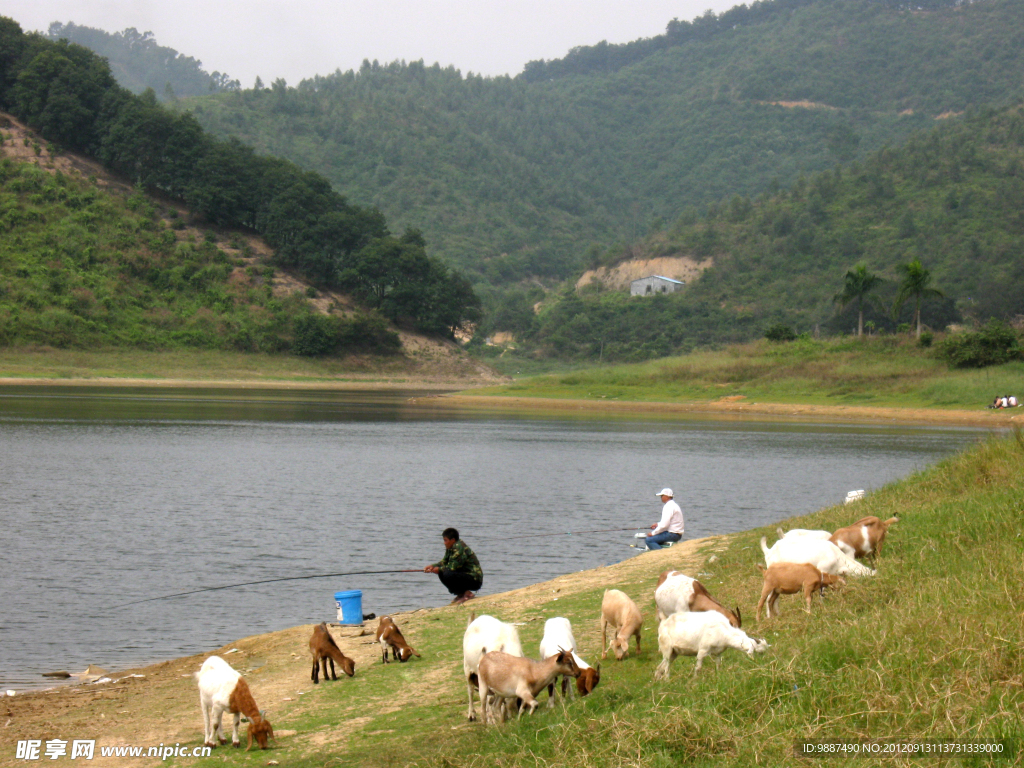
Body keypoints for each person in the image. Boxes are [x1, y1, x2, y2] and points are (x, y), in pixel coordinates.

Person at [424, 527, 483, 605]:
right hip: (465, 576)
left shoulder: (459, 549)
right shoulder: (451, 547)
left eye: (445, 540)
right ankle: (461, 594)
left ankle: (468, 594)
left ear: (452, 540)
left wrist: (439, 569)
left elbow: (452, 567)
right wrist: (432, 566)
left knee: (447, 573)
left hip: (474, 579)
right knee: (442, 573)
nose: (444, 543)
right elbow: (444, 562)